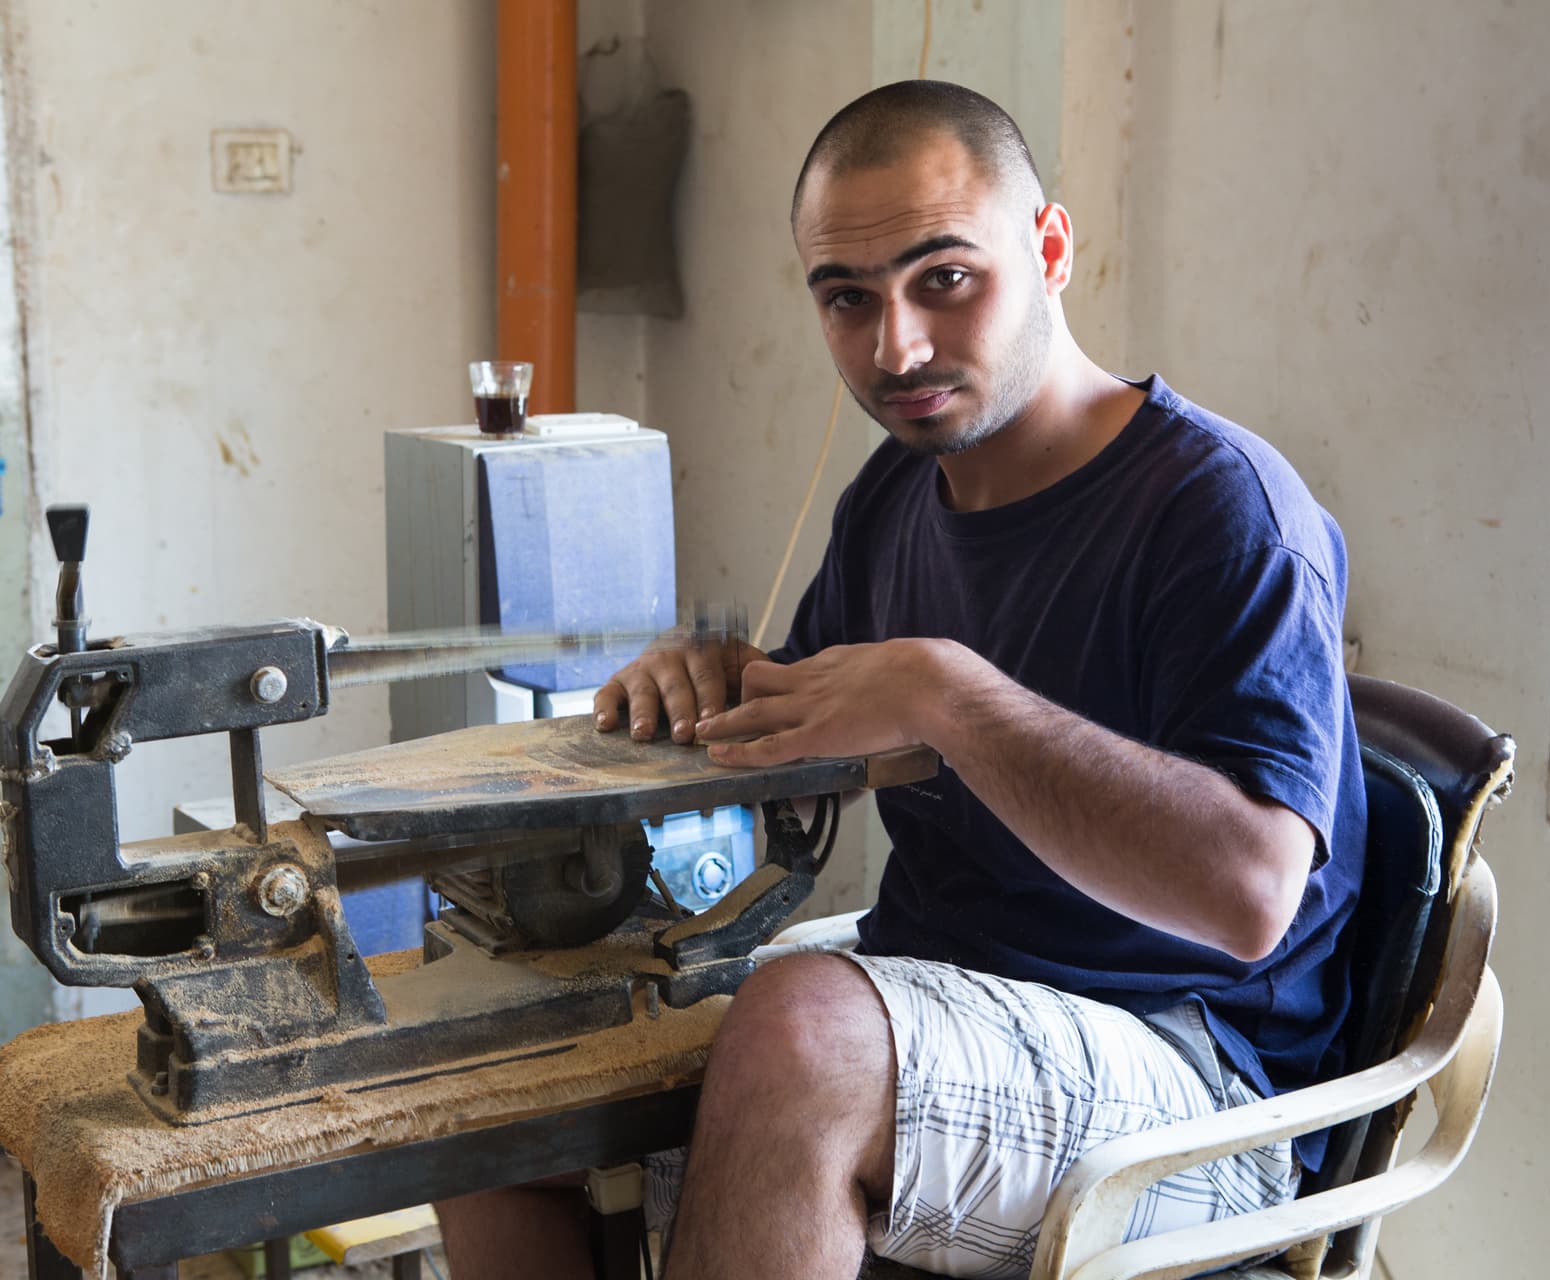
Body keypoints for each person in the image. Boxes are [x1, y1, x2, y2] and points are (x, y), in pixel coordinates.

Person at [436, 80, 1364, 1280]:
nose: (898, 347)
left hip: (1195, 1075)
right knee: (496, 1077)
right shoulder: (895, 498)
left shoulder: (1221, 509)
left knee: (806, 1034)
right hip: (942, 1002)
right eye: (848, 299)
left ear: (1051, 248)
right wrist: (715, 681)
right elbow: (826, 726)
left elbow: (1250, 894)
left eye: (945, 278)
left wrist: (950, 693)